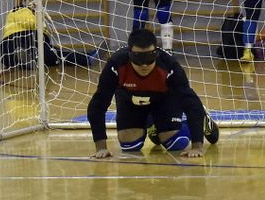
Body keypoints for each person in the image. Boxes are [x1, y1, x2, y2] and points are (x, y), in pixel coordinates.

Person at [84, 27, 214, 159]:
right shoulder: (116, 65)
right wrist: (101, 147)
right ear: (129, 54)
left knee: (176, 143)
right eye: (138, 58)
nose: (144, 65)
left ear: (156, 53)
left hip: (164, 101)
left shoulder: (169, 66)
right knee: (130, 146)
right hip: (131, 102)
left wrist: (197, 145)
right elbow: (98, 104)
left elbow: (191, 102)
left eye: (149, 58)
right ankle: (154, 125)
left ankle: (203, 120)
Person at [0, 0, 97, 72]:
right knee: (55, 54)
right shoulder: (22, 10)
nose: (34, 2)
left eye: (36, 0)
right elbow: (32, 24)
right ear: (23, 2)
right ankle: (86, 58)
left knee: (53, 53)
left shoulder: (16, 14)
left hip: (5, 50)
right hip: (23, 40)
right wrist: (41, 17)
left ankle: (25, 61)